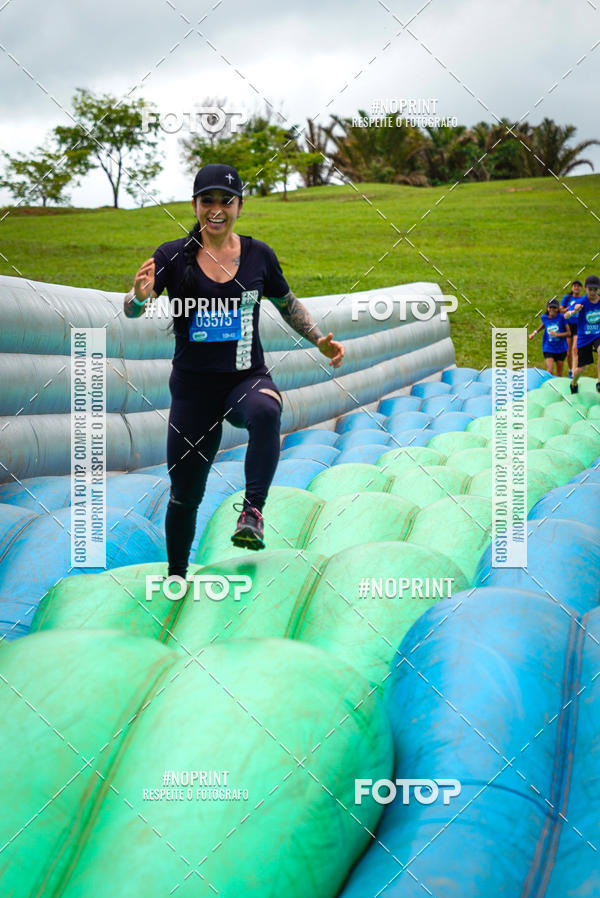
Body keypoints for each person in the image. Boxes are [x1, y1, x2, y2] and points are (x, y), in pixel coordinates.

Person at [124, 163, 345, 584]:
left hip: (246, 377)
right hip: (193, 390)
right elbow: (132, 309)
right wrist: (138, 297)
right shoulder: (172, 255)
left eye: (226, 200)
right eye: (207, 200)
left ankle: (252, 512)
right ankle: (177, 577)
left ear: (239, 205)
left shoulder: (259, 255)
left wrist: (319, 339)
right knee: (185, 496)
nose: (217, 208)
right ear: (195, 205)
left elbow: (287, 303)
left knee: (266, 411)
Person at [566, 274, 600, 394]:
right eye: (590, 289)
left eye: (595, 289)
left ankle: (599, 383)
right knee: (581, 369)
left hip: (597, 335)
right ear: (585, 288)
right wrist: (574, 310)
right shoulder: (580, 301)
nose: (592, 292)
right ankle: (573, 383)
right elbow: (565, 315)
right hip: (584, 337)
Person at [528, 299, 569, 376]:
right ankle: (548, 386)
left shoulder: (562, 317)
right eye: (550, 307)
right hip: (548, 347)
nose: (552, 310)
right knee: (549, 371)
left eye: (554, 308)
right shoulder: (544, 317)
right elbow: (544, 324)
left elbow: (568, 333)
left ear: (557, 309)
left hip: (561, 348)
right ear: (547, 308)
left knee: (559, 374)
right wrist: (534, 333)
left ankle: (557, 387)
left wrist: (557, 335)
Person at [560, 279, 584, 376]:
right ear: (572, 288)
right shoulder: (567, 298)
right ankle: (570, 370)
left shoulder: (583, 299)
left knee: (575, 349)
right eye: (574, 286)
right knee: (568, 351)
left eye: (578, 286)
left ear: (581, 288)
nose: (576, 287)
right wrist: (570, 308)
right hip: (568, 326)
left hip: (578, 325)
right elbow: (561, 309)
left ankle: (574, 371)